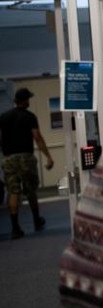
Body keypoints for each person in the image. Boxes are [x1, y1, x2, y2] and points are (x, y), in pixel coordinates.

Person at [0, 88, 53, 239]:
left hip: (8, 159)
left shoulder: (3, 117)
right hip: (25, 158)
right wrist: (48, 156)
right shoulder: (30, 117)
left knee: (13, 192)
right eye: (28, 99)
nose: (29, 101)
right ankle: (37, 220)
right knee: (30, 190)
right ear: (24, 101)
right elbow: (37, 137)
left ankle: (15, 228)